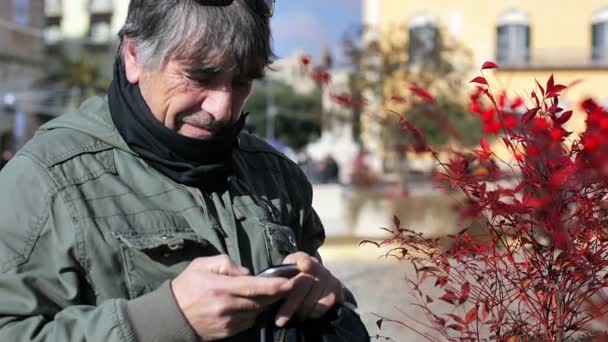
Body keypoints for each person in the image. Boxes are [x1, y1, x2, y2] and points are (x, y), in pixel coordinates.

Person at [0, 1, 359, 341]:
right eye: (200, 76)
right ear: (134, 55)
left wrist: (328, 301)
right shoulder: (43, 182)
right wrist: (161, 320)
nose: (223, 108)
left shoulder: (276, 175)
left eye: (242, 82)